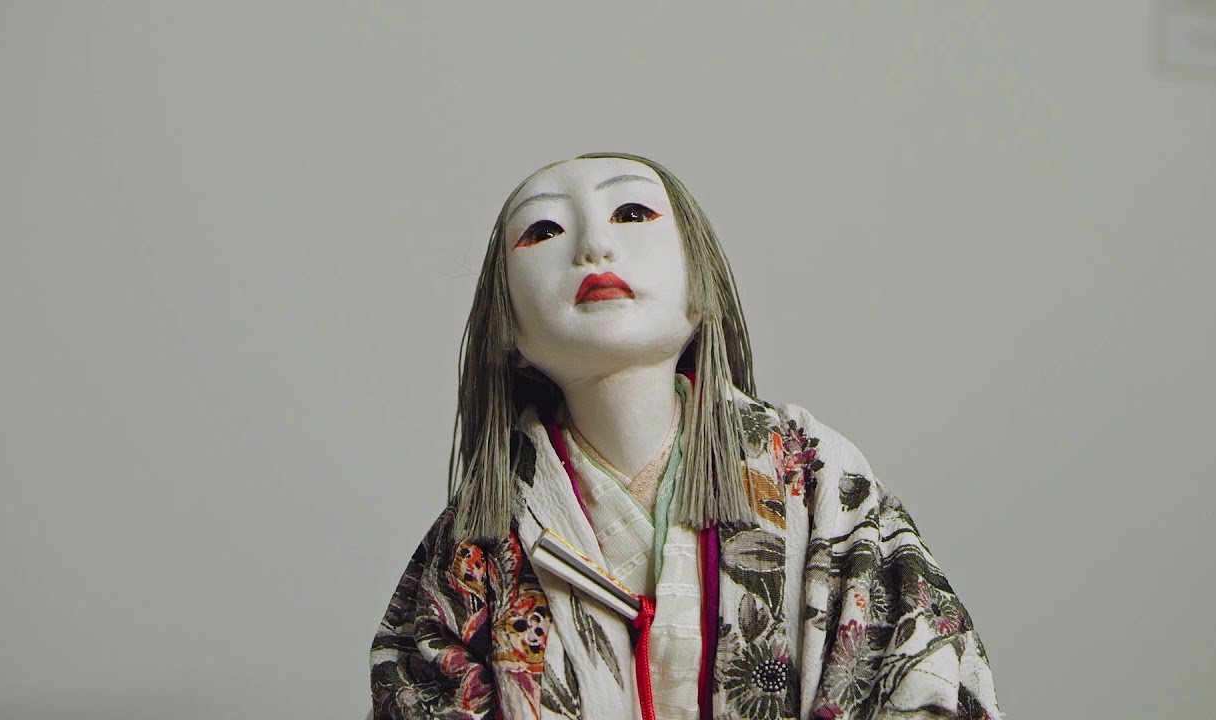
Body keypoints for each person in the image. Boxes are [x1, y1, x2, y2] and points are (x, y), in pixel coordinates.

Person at [368, 153, 999, 720]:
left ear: (702, 281)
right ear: (506, 326)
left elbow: (924, 674)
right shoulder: (477, 538)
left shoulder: (817, 480)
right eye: (544, 231)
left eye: (632, 214)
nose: (594, 247)